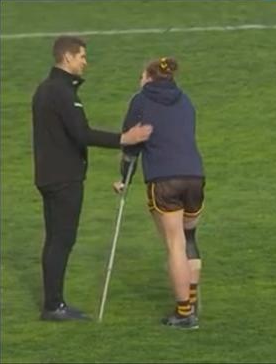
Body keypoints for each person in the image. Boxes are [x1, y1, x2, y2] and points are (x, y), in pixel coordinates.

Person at [32, 36, 153, 321]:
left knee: (54, 240)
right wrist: (125, 138)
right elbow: (82, 134)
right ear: (67, 58)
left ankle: (53, 302)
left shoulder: (44, 89)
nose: (85, 62)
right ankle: (54, 306)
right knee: (62, 240)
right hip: (64, 177)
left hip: (48, 175)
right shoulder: (61, 92)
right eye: (82, 57)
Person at [113, 57, 204, 330]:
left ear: (149, 77)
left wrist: (124, 179)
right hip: (195, 177)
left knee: (174, 243)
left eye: (141, 76)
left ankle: (184, 312)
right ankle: (192, 300)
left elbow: (131, 144)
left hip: (164, 179)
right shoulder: (185, 100)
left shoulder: (140, 101)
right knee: (188, 237)